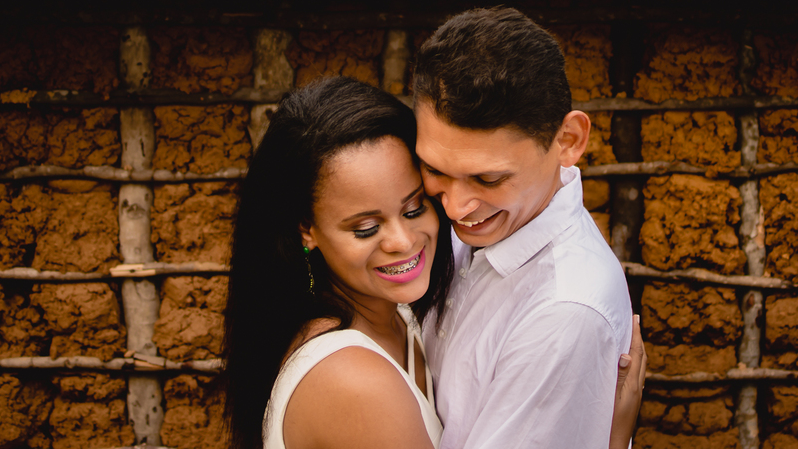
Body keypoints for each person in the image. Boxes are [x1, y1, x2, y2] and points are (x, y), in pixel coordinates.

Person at [222, 75, 645, 449]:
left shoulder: (398, 313)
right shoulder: (356, 383)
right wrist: (610, 437)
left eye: (414, 208)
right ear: (306, 230)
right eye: (366, 228)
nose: (403, 242)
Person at [413, 7, 637, 449]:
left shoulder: (563, 313)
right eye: (434, 168)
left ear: (568, 141)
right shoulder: (477, 228)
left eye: (489, 179)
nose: (456, 206)